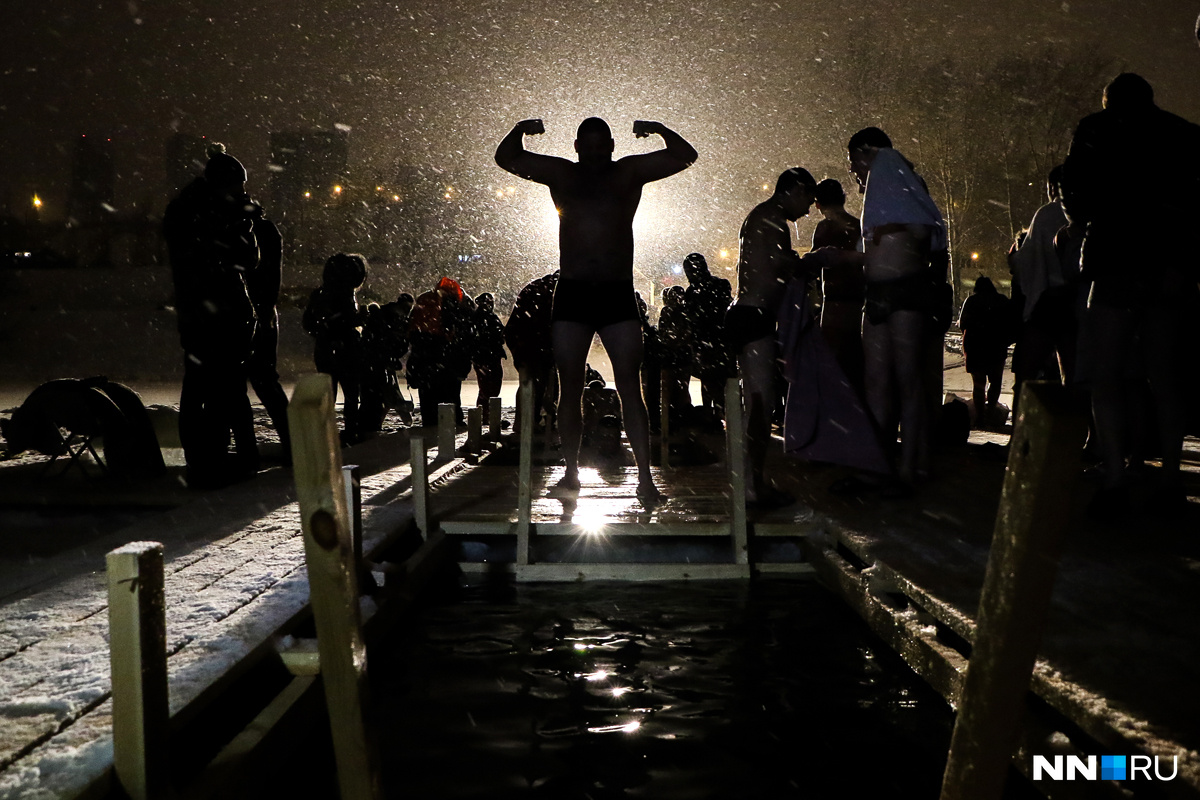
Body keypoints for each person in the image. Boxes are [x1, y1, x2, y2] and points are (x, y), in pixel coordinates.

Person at [495, 117, 697, 503]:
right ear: (576, 146)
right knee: (568, 388)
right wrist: (520, 128)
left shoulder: (628, 172)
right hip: (573, 291)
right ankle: (570, 472)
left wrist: (658, 128)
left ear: (611, 145)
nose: (592, 152)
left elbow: (685, 156)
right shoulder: (562, 173)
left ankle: (644, 479)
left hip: (615, 291)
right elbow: (506, 157)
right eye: (586, 145)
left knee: (630, 388)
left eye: (599, 145)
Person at [1062, 73, 1200, 514]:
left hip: (1113, 260)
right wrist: (1183, 263)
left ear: (1108, 102)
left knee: (1106, 374)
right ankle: (1170, 479)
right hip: (1167, 265)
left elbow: (1075, 192)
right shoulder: (1183, 135)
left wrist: (1089, 219)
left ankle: (1116, 477)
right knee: (1164, 376)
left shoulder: (1095, 131)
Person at [162, 143, 260, 488]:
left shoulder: (188, 211)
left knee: (205, 386)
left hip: (204, 314)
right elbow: (242, 259)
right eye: (238, 186)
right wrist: (240, 223)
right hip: (216, 313)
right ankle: (216, 459)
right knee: (222, 387)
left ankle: (208, 459)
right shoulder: (204, 216)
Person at [725, 167, 818, 506]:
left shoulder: (763, 216)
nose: (808, 210)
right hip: (753, 314)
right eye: (807, 199)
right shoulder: (771, 217)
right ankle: (750, 484)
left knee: (756, 404)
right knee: (760, 406)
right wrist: (806, 263)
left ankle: (750, 480)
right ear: (792, 191)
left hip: (748, 312)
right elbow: (777, 263)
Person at [303, 253, 368, 444]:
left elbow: (308, 322)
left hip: (327, 350)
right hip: (346, 350)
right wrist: (360, 318)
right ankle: (350, 430)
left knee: (329, 394)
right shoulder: (345, 294)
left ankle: (328, 431)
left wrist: (323, 334)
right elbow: (347, 321)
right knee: (350, 394)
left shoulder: (321, 294)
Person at [810, 178, 866, 395]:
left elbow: (816, 264)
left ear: (818, 203)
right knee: (855, 362)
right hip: (858, 302)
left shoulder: (824, 228)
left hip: (834, 303)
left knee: (833, 363)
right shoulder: (857, 226)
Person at [245, 216, 290, 460]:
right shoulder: (263, 227)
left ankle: (247, 454)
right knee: (266, 381)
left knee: (245, 383)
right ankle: (292, 445)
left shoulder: (246, 227)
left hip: (250, 312)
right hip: (261, 311)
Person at [407, 277, 467, 426]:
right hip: (443, 352)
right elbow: (454, 328)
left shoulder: (425, 300)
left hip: (423, 353)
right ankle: (451, 420)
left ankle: (430, 420)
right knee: (449, 390)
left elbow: (412, 326)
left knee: (428, 391)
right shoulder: (451, 304)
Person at [504, 271, 560, 432]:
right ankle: (529, 424)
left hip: (523, 339)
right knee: (535, 382)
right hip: (529, 341)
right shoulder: (552, 291)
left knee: (529, 383)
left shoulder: (538, 287)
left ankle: (526, 423)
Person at [681, 253, 734, 420]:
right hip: (718, 341)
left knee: (709, 381)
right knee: (717, 382)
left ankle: (712, 415)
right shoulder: (720, 285)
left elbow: (692, 318)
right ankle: (721, 415)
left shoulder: (694, 291)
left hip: (709, 341)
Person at [957, 277, 1012, 427]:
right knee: (995, 382)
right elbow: (1011, 324)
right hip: (996, 347)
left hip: (975, 348)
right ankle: (991, 410)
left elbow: (963, 323)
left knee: (978, 384)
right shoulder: (1001, 301)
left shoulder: (972, 301)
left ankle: (980, 418)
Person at [657, 285, 694, 427]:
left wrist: (672, 343)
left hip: (672, 355)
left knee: (669, 389)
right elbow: (687, 333)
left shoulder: (668, 312)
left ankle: (668, 420)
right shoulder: (684, 312)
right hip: (680, 354)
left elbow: (664, 333)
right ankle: (679, 418)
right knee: (682, 388)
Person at [472, 292, 508, 423]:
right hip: (485, 357)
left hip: (490, 356)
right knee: (487, 387)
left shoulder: (490, 317)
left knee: (491, 386)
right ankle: (485, 415)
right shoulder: (480, 318)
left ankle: (486, 414)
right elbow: (482, 337)